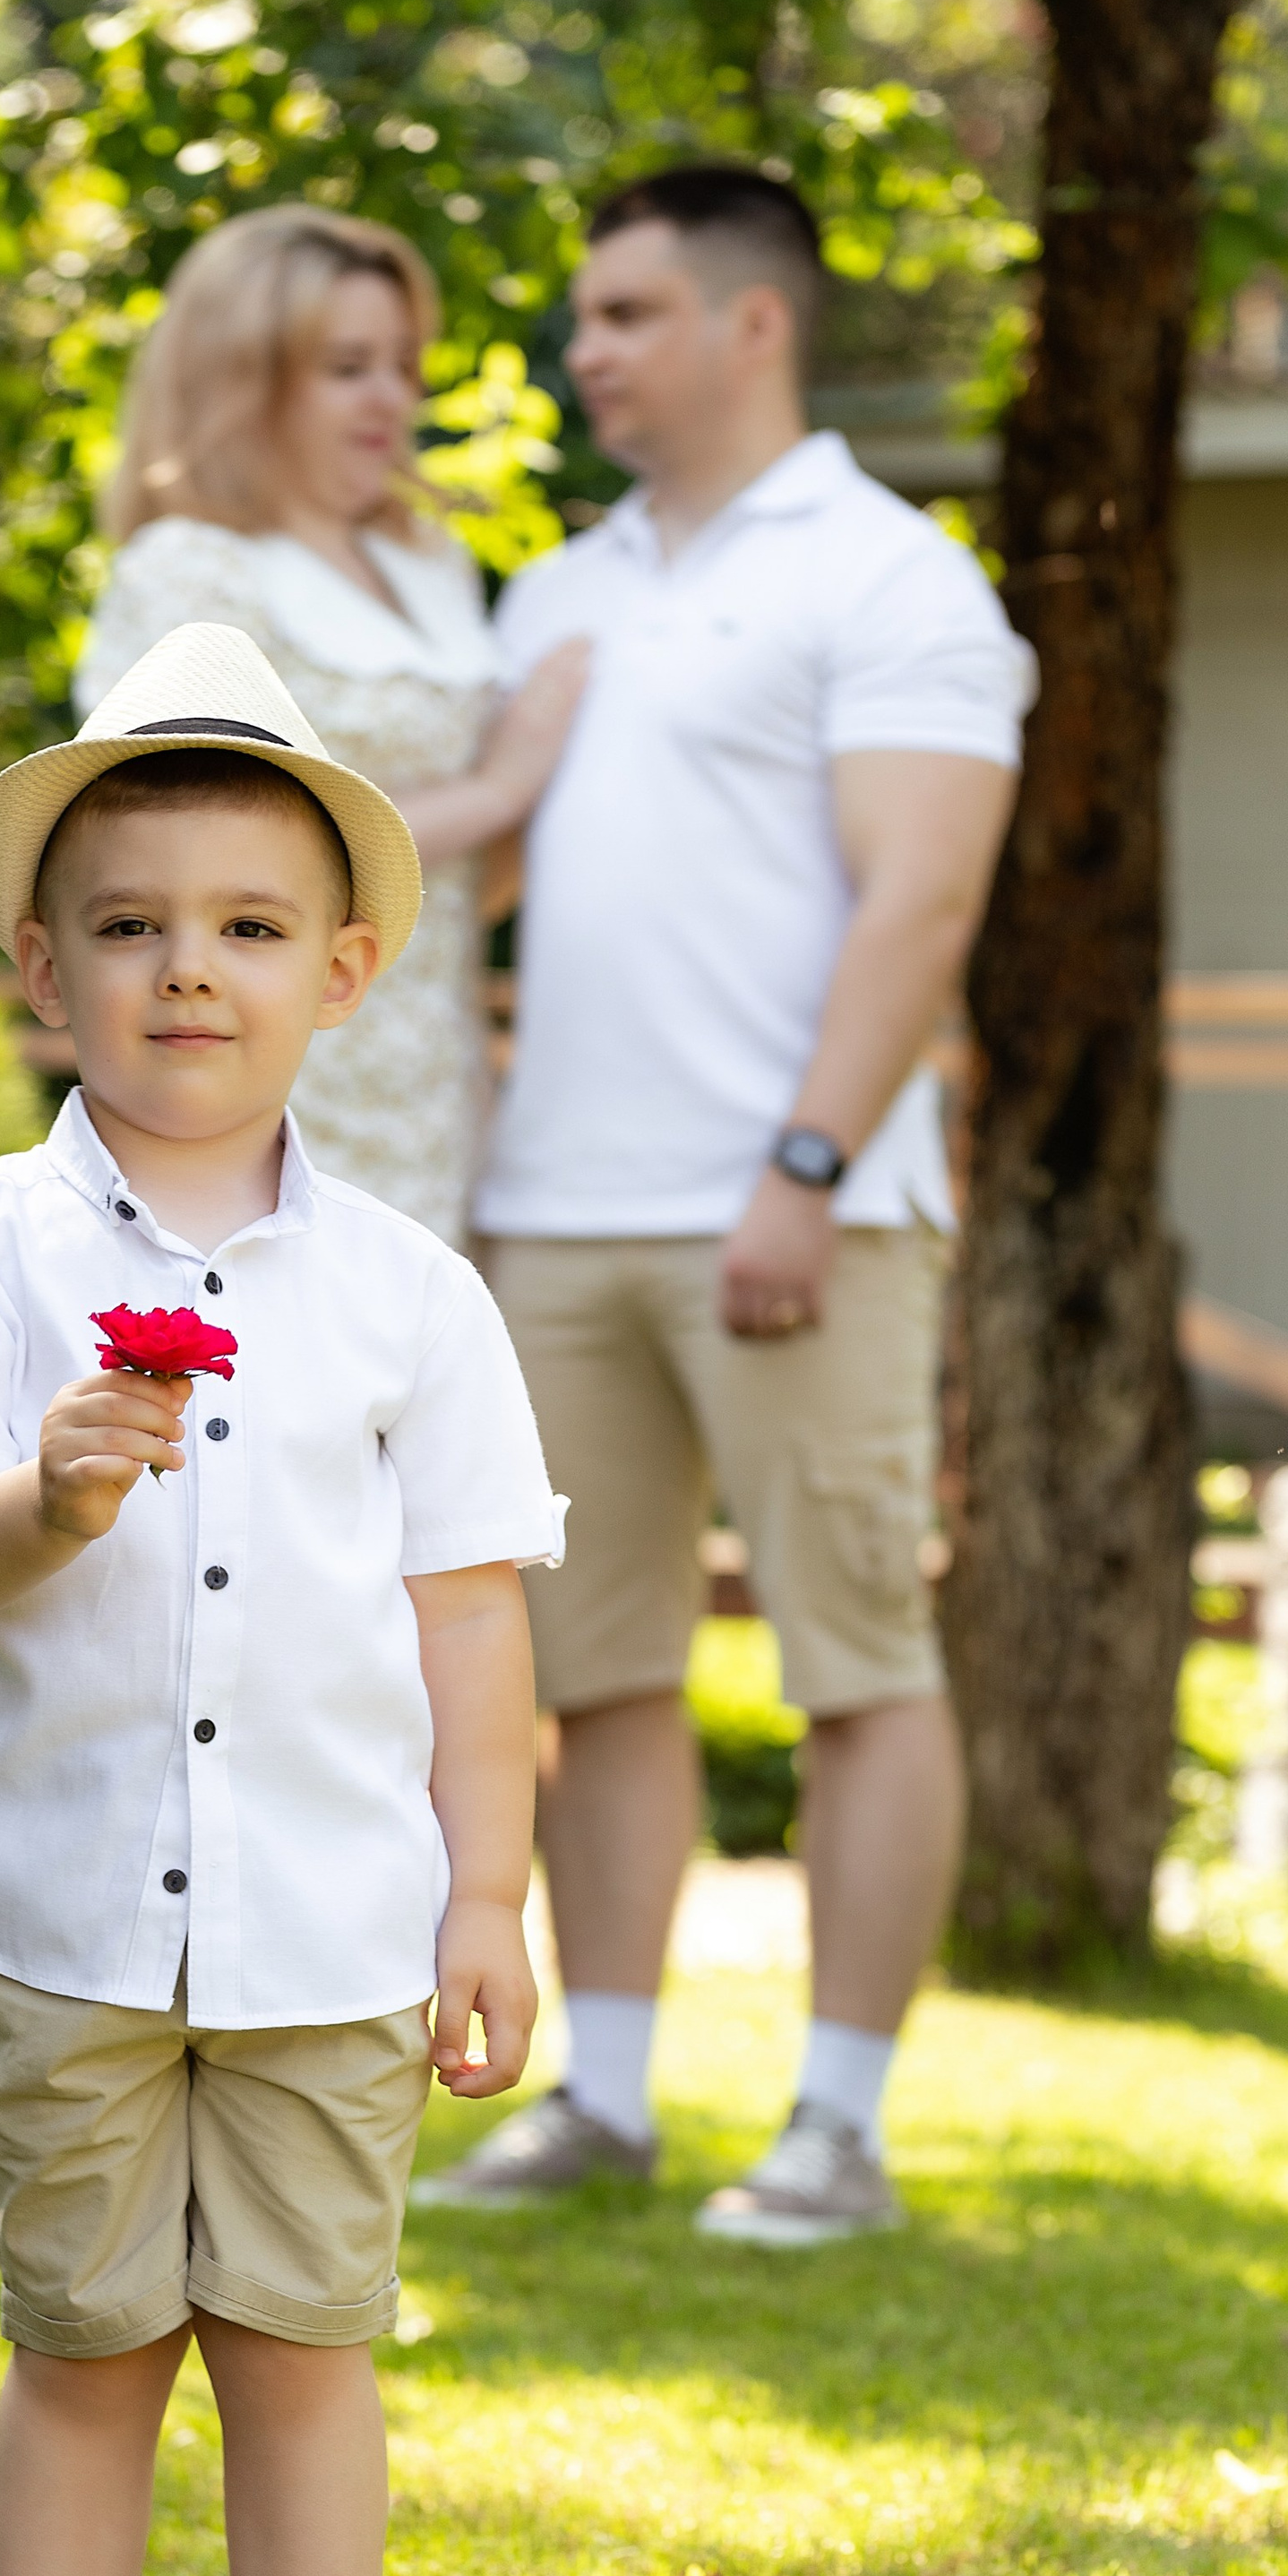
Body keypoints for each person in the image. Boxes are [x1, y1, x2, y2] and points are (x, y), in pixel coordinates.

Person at [0, 621, 562, 2576]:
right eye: (127, 928)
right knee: (85, 2332)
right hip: (66, 1904)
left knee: (301, 2334)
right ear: (41, 967)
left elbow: (469, 1609)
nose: (184, 974)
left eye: (244, 929)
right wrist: (44, 1495)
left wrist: (480, 1897)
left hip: (334, 1913)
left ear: (339, 973)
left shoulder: (409, 1297)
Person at [418, 165, 1034, 2244]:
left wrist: (800, 1163)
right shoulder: (552, 594)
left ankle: (834, 2129)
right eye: (578, 318)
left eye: (620, 313)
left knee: (851, 1661)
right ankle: (601, 2094)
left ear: (748, 324)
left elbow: (925, 896)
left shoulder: (889, 579)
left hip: (802, 1213)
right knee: (589, 1678)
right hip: (549, 1215)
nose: (579, 351)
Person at [74, 202, 588, 1244]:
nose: (392, 399)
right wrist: (494, 791)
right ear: (245, 376)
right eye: (348, 367)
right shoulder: (190, 566)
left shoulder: (432, 566)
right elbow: (193, 845)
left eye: (405, 364)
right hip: (262, 1099)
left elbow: (456, 880)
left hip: (442, 1099)